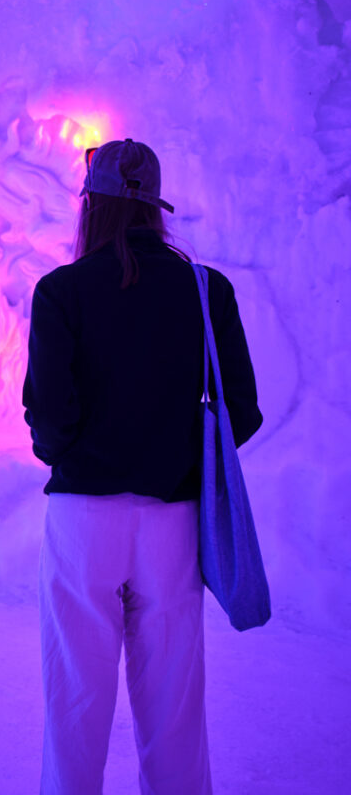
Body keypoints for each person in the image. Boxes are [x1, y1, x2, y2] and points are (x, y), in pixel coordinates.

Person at [22, 139, 262, 795]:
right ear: (156, 206)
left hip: (82, 521)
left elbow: (49, 421)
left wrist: (78, 452)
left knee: (75, 704)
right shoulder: (206, 291)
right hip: (172, 522)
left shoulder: (61, 291)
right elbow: (241, 412)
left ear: (92, 205)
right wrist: (177, 453)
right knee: (175, 709)